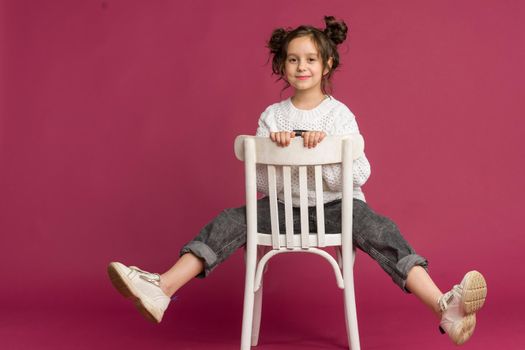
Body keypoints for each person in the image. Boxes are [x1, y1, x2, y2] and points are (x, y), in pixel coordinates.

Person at [107, 16, 487, 345]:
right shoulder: (273, 117)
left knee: (383, 230)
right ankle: (162, 288)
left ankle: (444, 305)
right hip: (282, 209)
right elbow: (260, 183)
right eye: (292, 59)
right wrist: (279, 154)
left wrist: (323, 156)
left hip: (338, 209)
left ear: (327, 65)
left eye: (310, 59)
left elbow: (359, 174)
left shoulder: (340, 116)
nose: (301, 66)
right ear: (282, 65)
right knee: (227, 221)